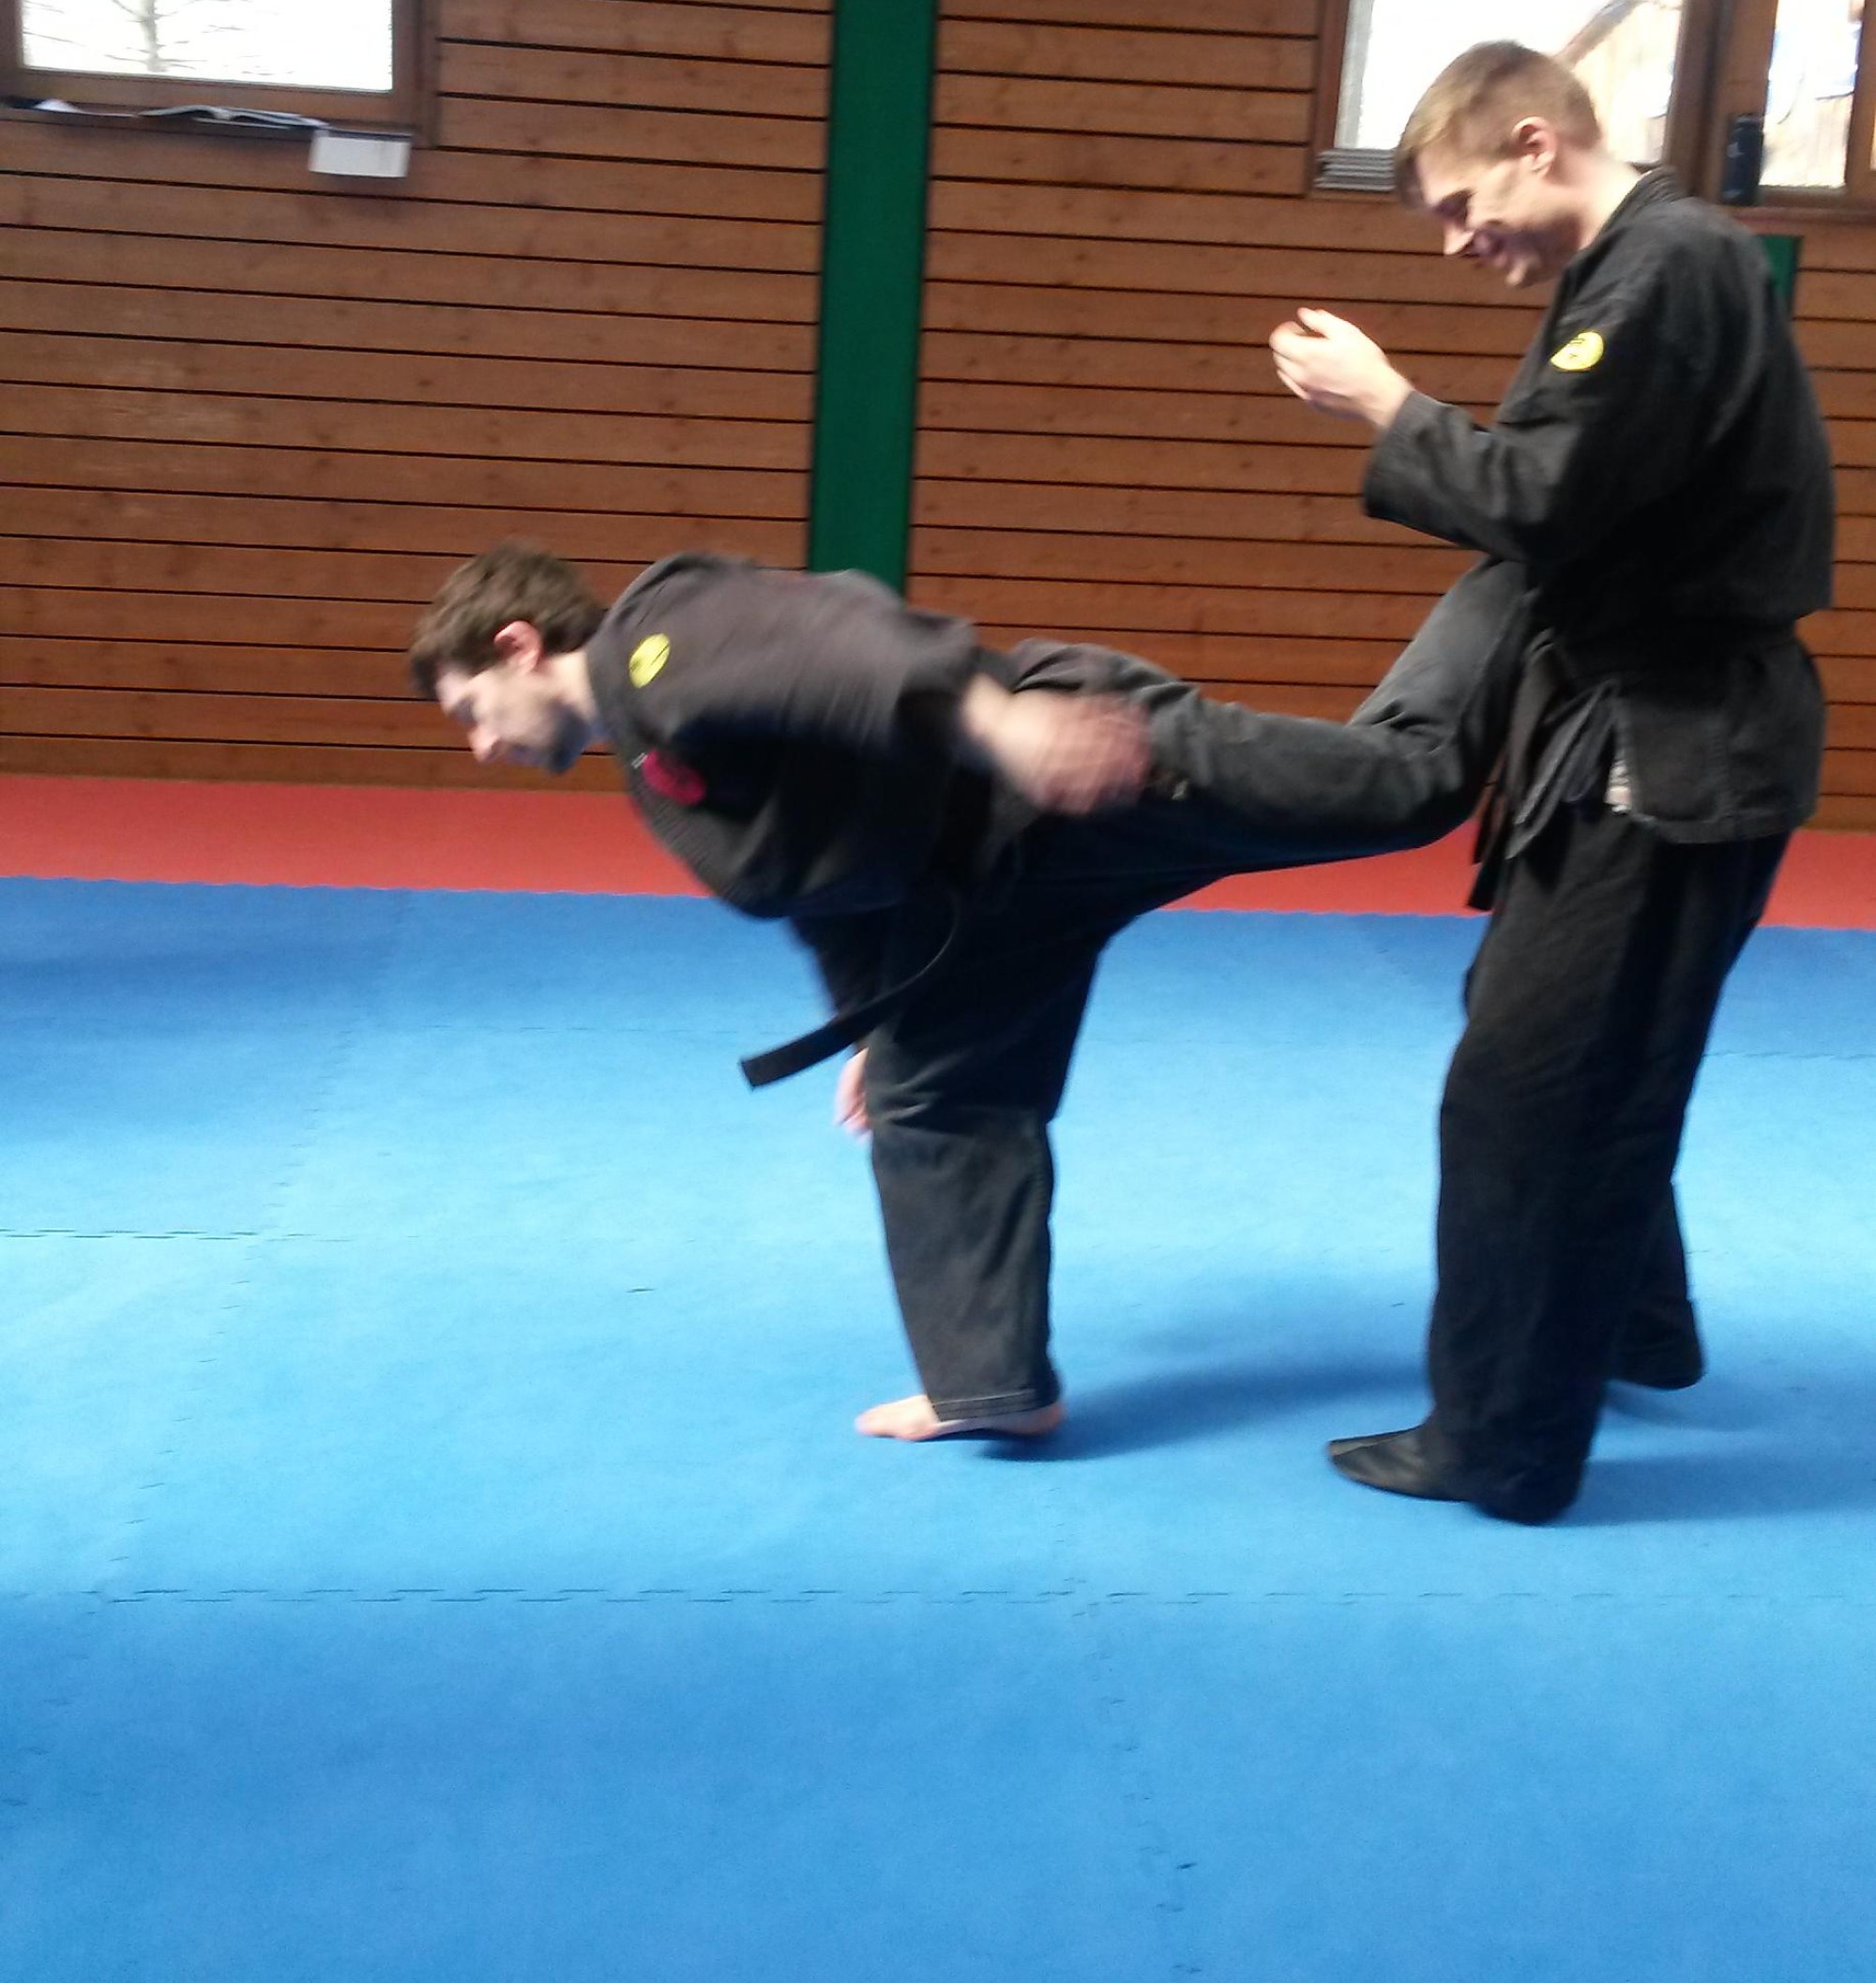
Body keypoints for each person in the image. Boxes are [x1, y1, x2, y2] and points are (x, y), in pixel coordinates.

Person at [410, 539, 1530, 1446]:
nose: (479, 746)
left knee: (1404, 787)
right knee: (932, 1097)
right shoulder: (654, 755)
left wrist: (1002, 724)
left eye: (472, 710)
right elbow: (824, 885)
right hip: (995, 891)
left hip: (1077, 772)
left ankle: (1526, 562)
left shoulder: (665, 638)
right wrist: (871, 1022)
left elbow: (835, 633)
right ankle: (994, 1389)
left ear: (519, 644)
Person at [1271, 40, 1835, 1525]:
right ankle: (1637, 1323)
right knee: (1576, 1049)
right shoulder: (1640, 269)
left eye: (1464, 207)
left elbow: (1540, 495)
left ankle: (1504, 1441)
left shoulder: (1667, 268)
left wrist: (1385, 402)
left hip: (1678, 742)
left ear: (1535, 141)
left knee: (1531, 1094)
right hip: (1650, 727)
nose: (1461, 245)